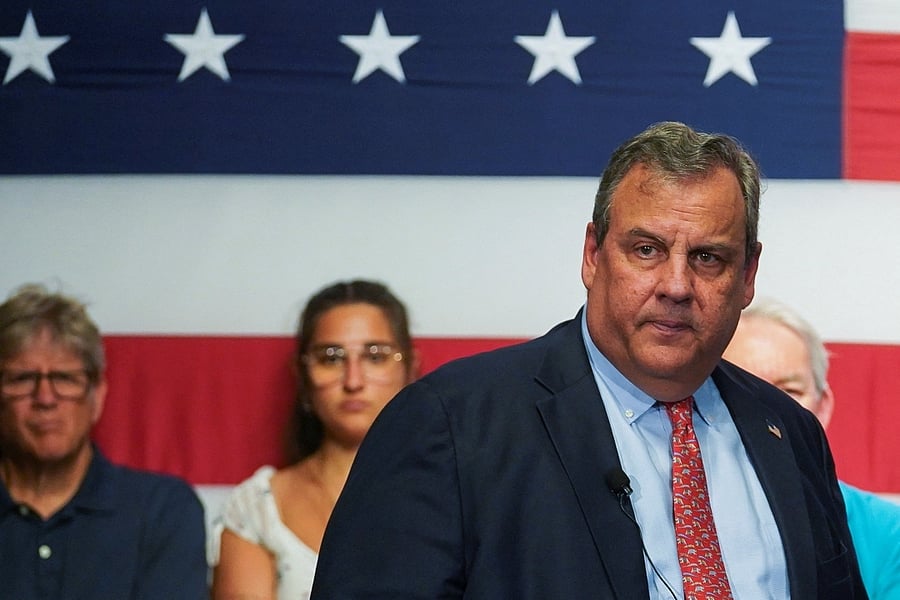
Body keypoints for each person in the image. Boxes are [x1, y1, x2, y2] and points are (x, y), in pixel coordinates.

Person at [311, 122, 866, 599]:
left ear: (747, 275)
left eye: (708, 257)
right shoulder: (451, 425)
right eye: (646, 250)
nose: (676, 285)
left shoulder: (788, 433)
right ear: (594, 255)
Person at [210, 279, 417, 599]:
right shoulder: (258, 508)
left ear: (410, 369)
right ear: (302, 374)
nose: (353, 380)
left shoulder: (463, 496)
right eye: (331, 357)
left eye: (375, 356)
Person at [0, 283, 207, 599]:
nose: (45, 398)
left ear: (97, 395)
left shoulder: (162, 511)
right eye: (22, 379)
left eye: (64, 379)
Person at [724, 297, 900, 600]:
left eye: (790, 391)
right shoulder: (668, 515)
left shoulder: (886, 531)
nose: (772, 410)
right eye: (745, 387)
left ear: (823, 407)